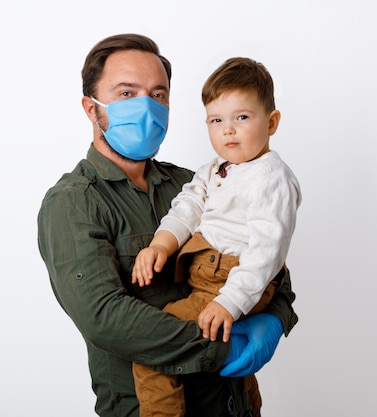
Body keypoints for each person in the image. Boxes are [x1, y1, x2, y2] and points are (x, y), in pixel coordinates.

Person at [37, 34, 298, 417]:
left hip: (232, 403)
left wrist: (276, 319)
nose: (146, 106)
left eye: (158, 95)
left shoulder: (195, 183)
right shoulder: (73, 203)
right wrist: (223, 347)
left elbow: (271, 261)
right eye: (127, 93)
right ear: (91, 108)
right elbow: (106, 318)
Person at [130, 57, 302, 417]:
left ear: (271, 123)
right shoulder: (215, 168)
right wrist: (162, 243)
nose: (228, 130)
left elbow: (266, 253)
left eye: (242, 117)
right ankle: (249, 407)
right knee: (231, 359)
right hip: (209, 278)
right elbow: (188, 205)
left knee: (153, 352)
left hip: (229, 281)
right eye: (216, 120)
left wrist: (230, 301)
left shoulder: (271, 177)